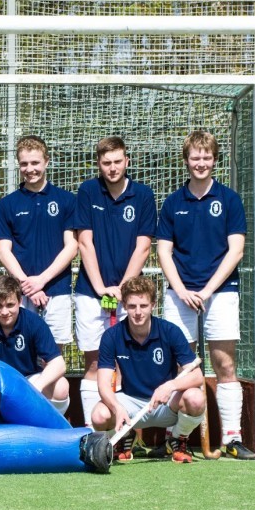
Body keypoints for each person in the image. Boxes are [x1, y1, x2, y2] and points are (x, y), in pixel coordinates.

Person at [156, 130, 254, 460]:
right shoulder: (173, 202)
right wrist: (182, 290)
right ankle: (175, 436)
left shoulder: (229, 200)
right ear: (186, 160)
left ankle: (232, 438)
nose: (201, 162)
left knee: (224, 364)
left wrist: (209, 290)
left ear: (215, 160)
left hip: (221, 292)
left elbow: (236, 250)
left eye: (207, 157)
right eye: (195, 157)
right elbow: (164, 251)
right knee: (183, 368)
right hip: (180, 295)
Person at [73, 136, 156, 428]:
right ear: (99, 164)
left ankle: (125, 432)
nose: (112, 168)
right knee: (95, 362)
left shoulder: (143, 195)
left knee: (127, 362)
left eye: (117, 161)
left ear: (127, 161)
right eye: (106, 162)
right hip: (90, 292)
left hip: (130, 296)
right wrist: (100, 288)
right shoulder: (88, 191)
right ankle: (91, 431)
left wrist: (123, 289)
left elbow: (143, 247)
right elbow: (84, 242)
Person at [90, 276, 205, 463]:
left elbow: (198, 376)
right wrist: (117, 408)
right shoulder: (111, 336)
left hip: (166, 404)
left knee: (196, 398)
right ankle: (126, 437)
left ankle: (177, 439)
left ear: (153, 305)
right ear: (124, 306)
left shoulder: (170, 331)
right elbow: (103, 385)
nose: (138, 312)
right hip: (130, 403)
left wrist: (170, 386)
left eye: (143, 306)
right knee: (99, 415)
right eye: (132, 306)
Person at [0, 135, 78, 349]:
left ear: (46, 161)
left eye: (35, 163)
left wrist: (42, 280)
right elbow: (3, 251)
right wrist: (29, 285)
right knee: (20, 351)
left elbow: (72, 247)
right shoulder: (7, 204)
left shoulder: (67, 200)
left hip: (57, 290)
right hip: (20, 293)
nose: (30, 169)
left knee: (53, 353)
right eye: (24, 163)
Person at [0, 275, 70, 414]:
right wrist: (11, 378)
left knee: (61, 386)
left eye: (10, 305)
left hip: (29, 381)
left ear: (20, 301)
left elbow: (59, 364)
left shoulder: (34, 322)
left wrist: (36, 386)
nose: (4, 312)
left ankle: (47, 423)